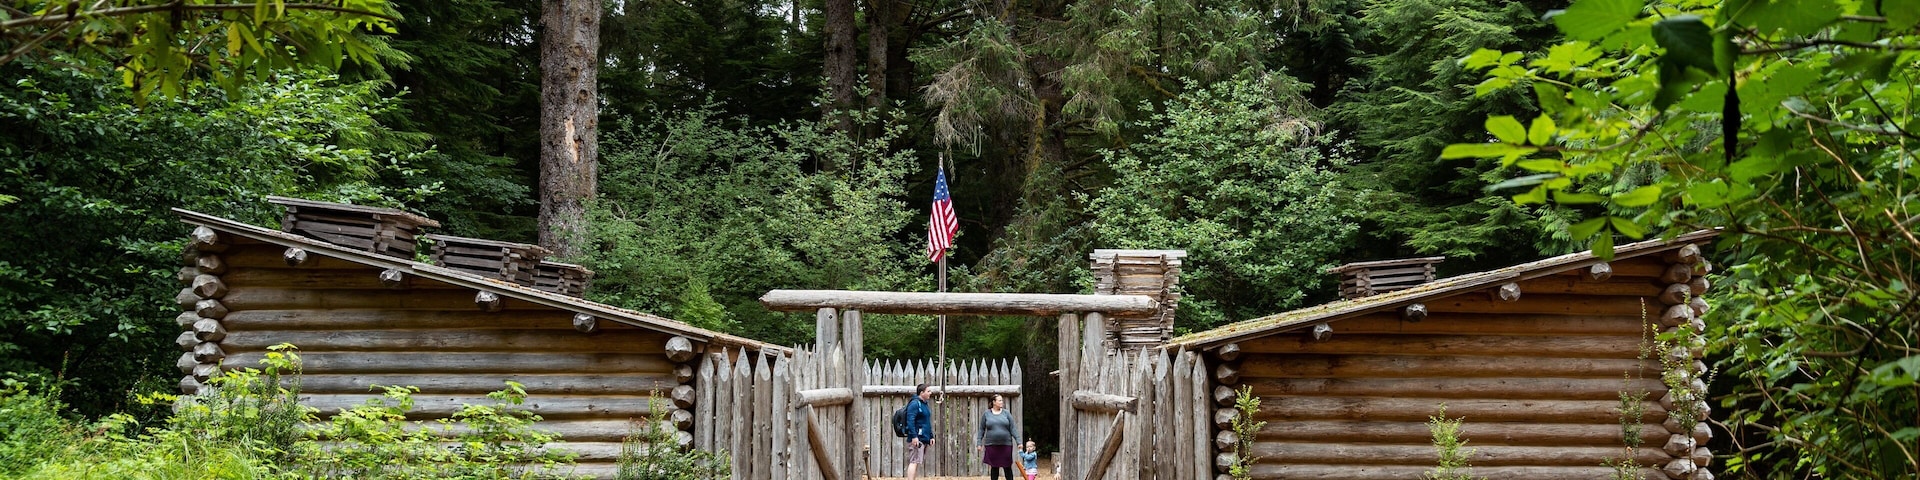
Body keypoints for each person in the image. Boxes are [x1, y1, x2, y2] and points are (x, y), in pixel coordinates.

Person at [976, 394, 1018, 480]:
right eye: (999, 400)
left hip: (1006, 444)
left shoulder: (1006, 413)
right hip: (992, 445)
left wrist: (1019, 441)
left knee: (1007, 467)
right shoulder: (987, 414)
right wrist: (979, 443)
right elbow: (981, 430)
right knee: (994, 467)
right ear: (994, 402)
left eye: (1002, 400)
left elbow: (1013, 428)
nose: (1001, 402)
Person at [905, 383, 935, 480]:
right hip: (917, 438)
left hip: (923, 437)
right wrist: (914, 436)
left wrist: (931, 436)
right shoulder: (914, 404)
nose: (930, 393)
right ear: (921, 392)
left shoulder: (924, 405)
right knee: (913, 461)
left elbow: (926, 422)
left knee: (917, 461)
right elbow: (910, 421)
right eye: (928, 391)